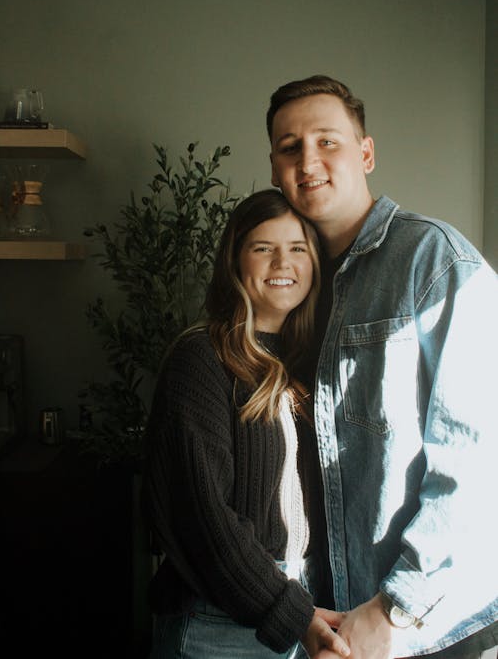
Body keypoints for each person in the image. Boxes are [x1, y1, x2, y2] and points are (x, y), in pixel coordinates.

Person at [266, 74, 498, 659]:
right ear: (274, 168)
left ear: (365, 153)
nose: (308, 160)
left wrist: (398, 609)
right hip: (334, 619)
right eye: (290, 147)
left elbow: (477, 460)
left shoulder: (435, 262)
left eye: (327, 141)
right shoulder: (293, 287)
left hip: (431, 625)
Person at [141, 189, 352, 659]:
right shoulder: (201, 360)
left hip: (306, 601)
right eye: (264, 248)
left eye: (298, 248)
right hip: (216, 624)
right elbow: (204, 520)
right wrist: (294, 614)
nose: (283, 262)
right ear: (236, 261)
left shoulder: (311, 363)